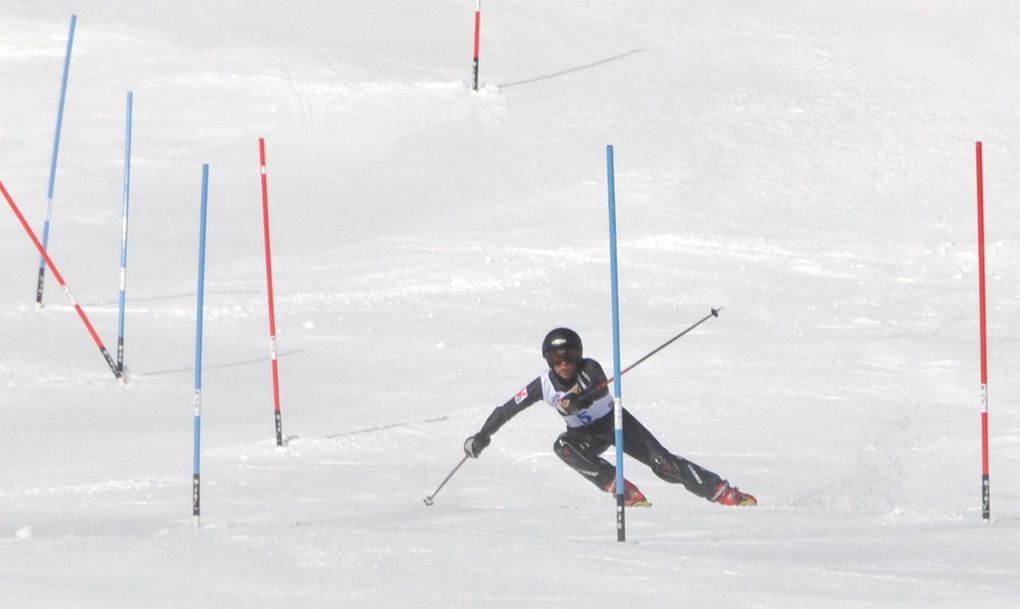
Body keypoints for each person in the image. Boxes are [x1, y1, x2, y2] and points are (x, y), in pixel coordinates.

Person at [463, 327, 757, 507]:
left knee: (663, 465)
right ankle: (619, 487)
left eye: (568, 356)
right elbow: (506, 410)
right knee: (562, 446)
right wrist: (482, 436)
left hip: (615, 422)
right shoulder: (543, 385)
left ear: (578, 355)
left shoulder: (589, 368)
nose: (564, 364)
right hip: (584, 436)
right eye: (556, 359)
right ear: (548, 361)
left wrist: (576, 401)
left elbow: (596, 389)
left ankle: (724, 492)